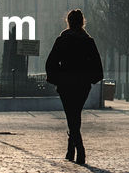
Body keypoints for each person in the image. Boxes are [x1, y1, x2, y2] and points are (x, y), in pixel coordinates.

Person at [44, 9, 104, 164]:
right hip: (82, 84)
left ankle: (79, 149)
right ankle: (72, 149)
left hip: (66, 83)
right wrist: (90, 78)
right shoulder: (88, 41)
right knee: (75, 114)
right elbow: (96, 64)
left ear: (68, 22)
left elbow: (51, 62)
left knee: (72, 115)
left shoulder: (62, 40)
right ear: (82, 22)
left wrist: (57, 78)